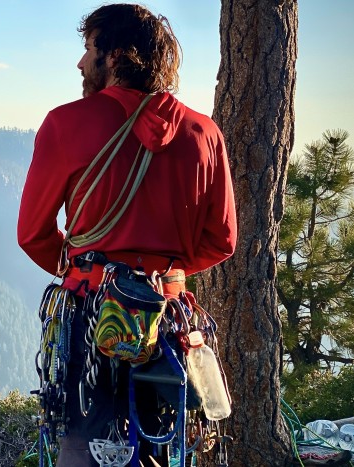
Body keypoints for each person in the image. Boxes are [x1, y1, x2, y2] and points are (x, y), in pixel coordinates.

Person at [17, 4, 237, 466]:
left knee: (83, 442)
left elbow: (34, 234)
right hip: (168, 317)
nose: (80, 63)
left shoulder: (66, 124)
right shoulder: (205, 134)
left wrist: (89, 270)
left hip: (92, 315)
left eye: (88, 49)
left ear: (116, 56)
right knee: (164, 443)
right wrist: (155, 277)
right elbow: (222, 240)